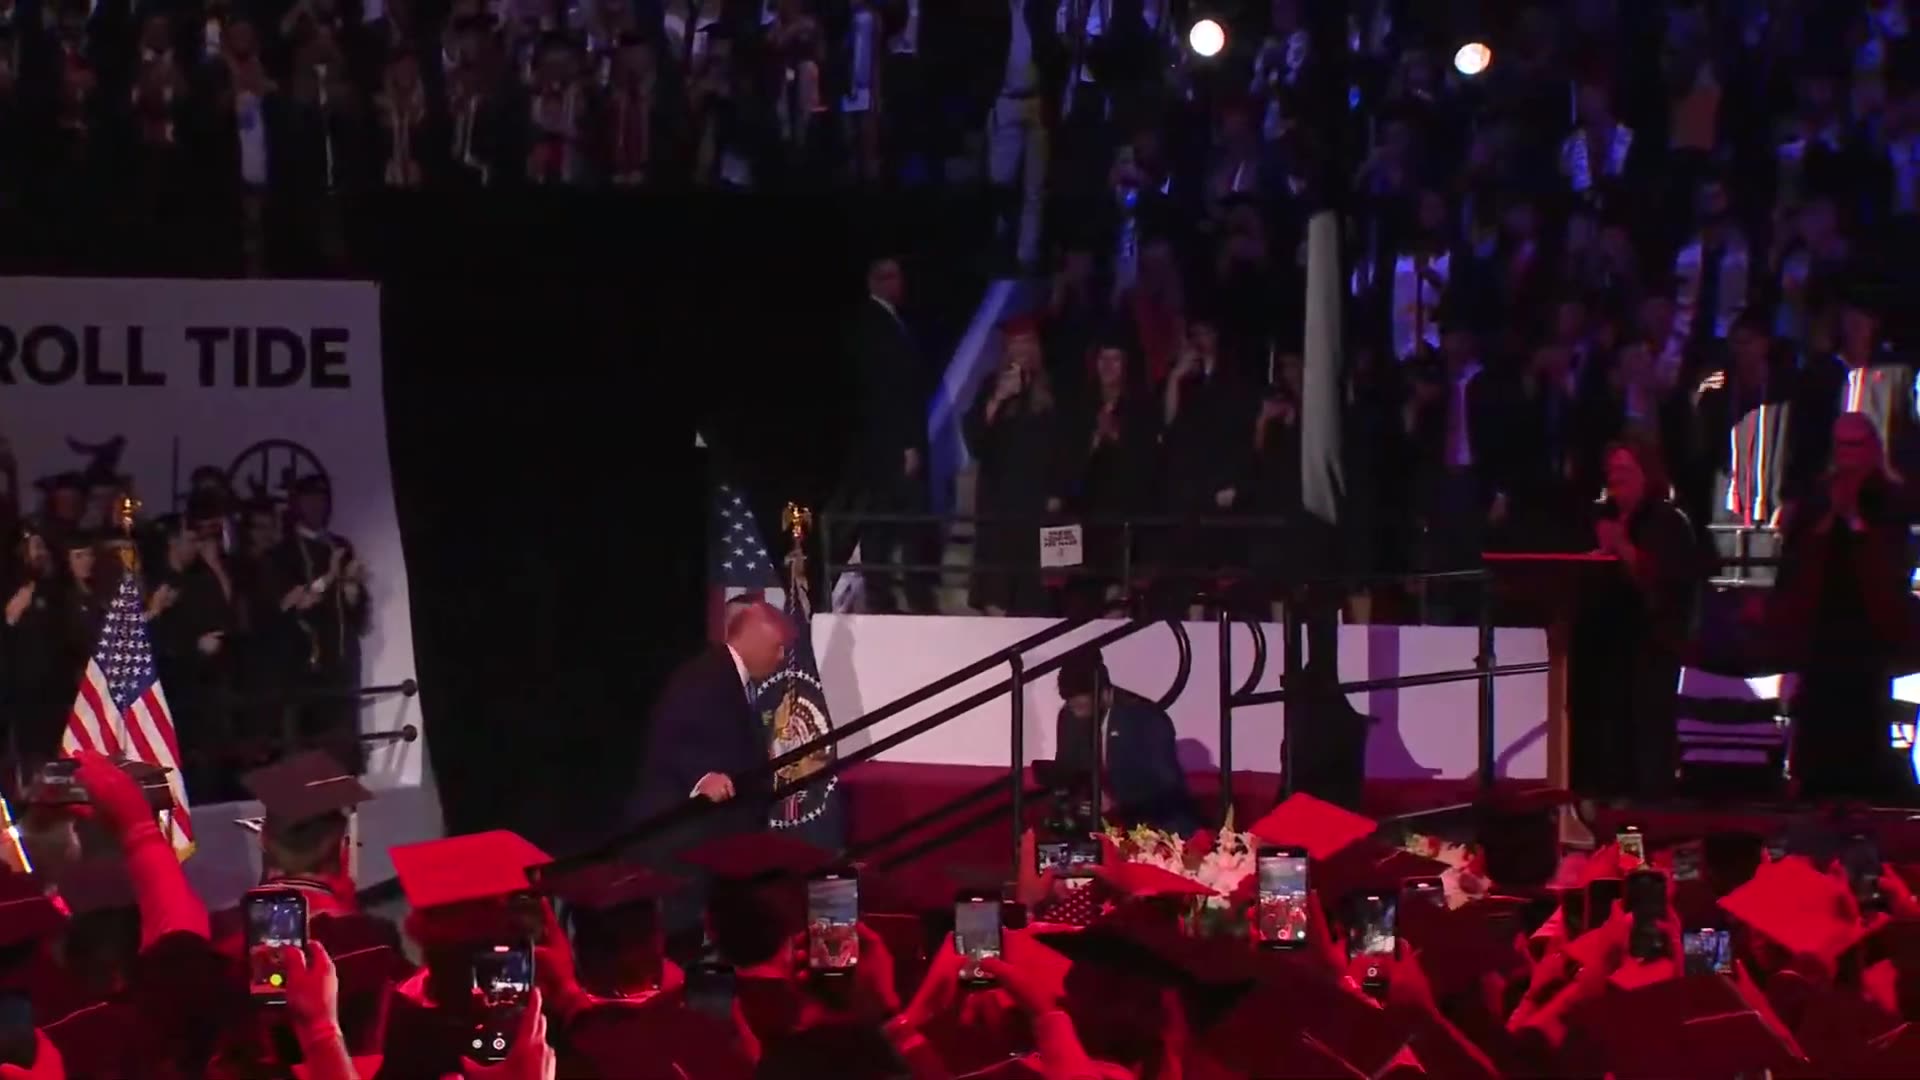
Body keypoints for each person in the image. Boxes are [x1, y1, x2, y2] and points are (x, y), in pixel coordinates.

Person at [1771, 413, 1916, 804]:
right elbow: (1796, 563)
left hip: (1867, 634)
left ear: (1871, 448)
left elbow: (1891, 567)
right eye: (1840, 446)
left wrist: (1852, 519)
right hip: (1821, 632)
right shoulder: (1818, 496)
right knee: (1817, 726)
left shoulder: (1891, 497)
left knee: (1862, 724)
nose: (1846, 457)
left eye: (1854, 446)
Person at [1568, 436, 1702, 799]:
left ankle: (1649, 821)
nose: (1615, 479)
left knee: (1645, 738)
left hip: (1649, 646)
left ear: (1647, 475)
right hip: (1605, 646)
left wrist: (1622, 548)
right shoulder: (1600, 518)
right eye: (1611, 471)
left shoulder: (1667, 521)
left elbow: (1666, 583)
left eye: (1625, 471)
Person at [1052, 649, 1197, 834]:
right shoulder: (1069, 716)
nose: (1074, 711)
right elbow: (1069, 769)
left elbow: (1167, 784)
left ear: (1104, 692)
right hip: (1100, 825)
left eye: (1080, 705)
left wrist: (1115, 800)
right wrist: (1079, 797)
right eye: (1069, 703)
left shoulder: (1146, 717)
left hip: (1156, 822)